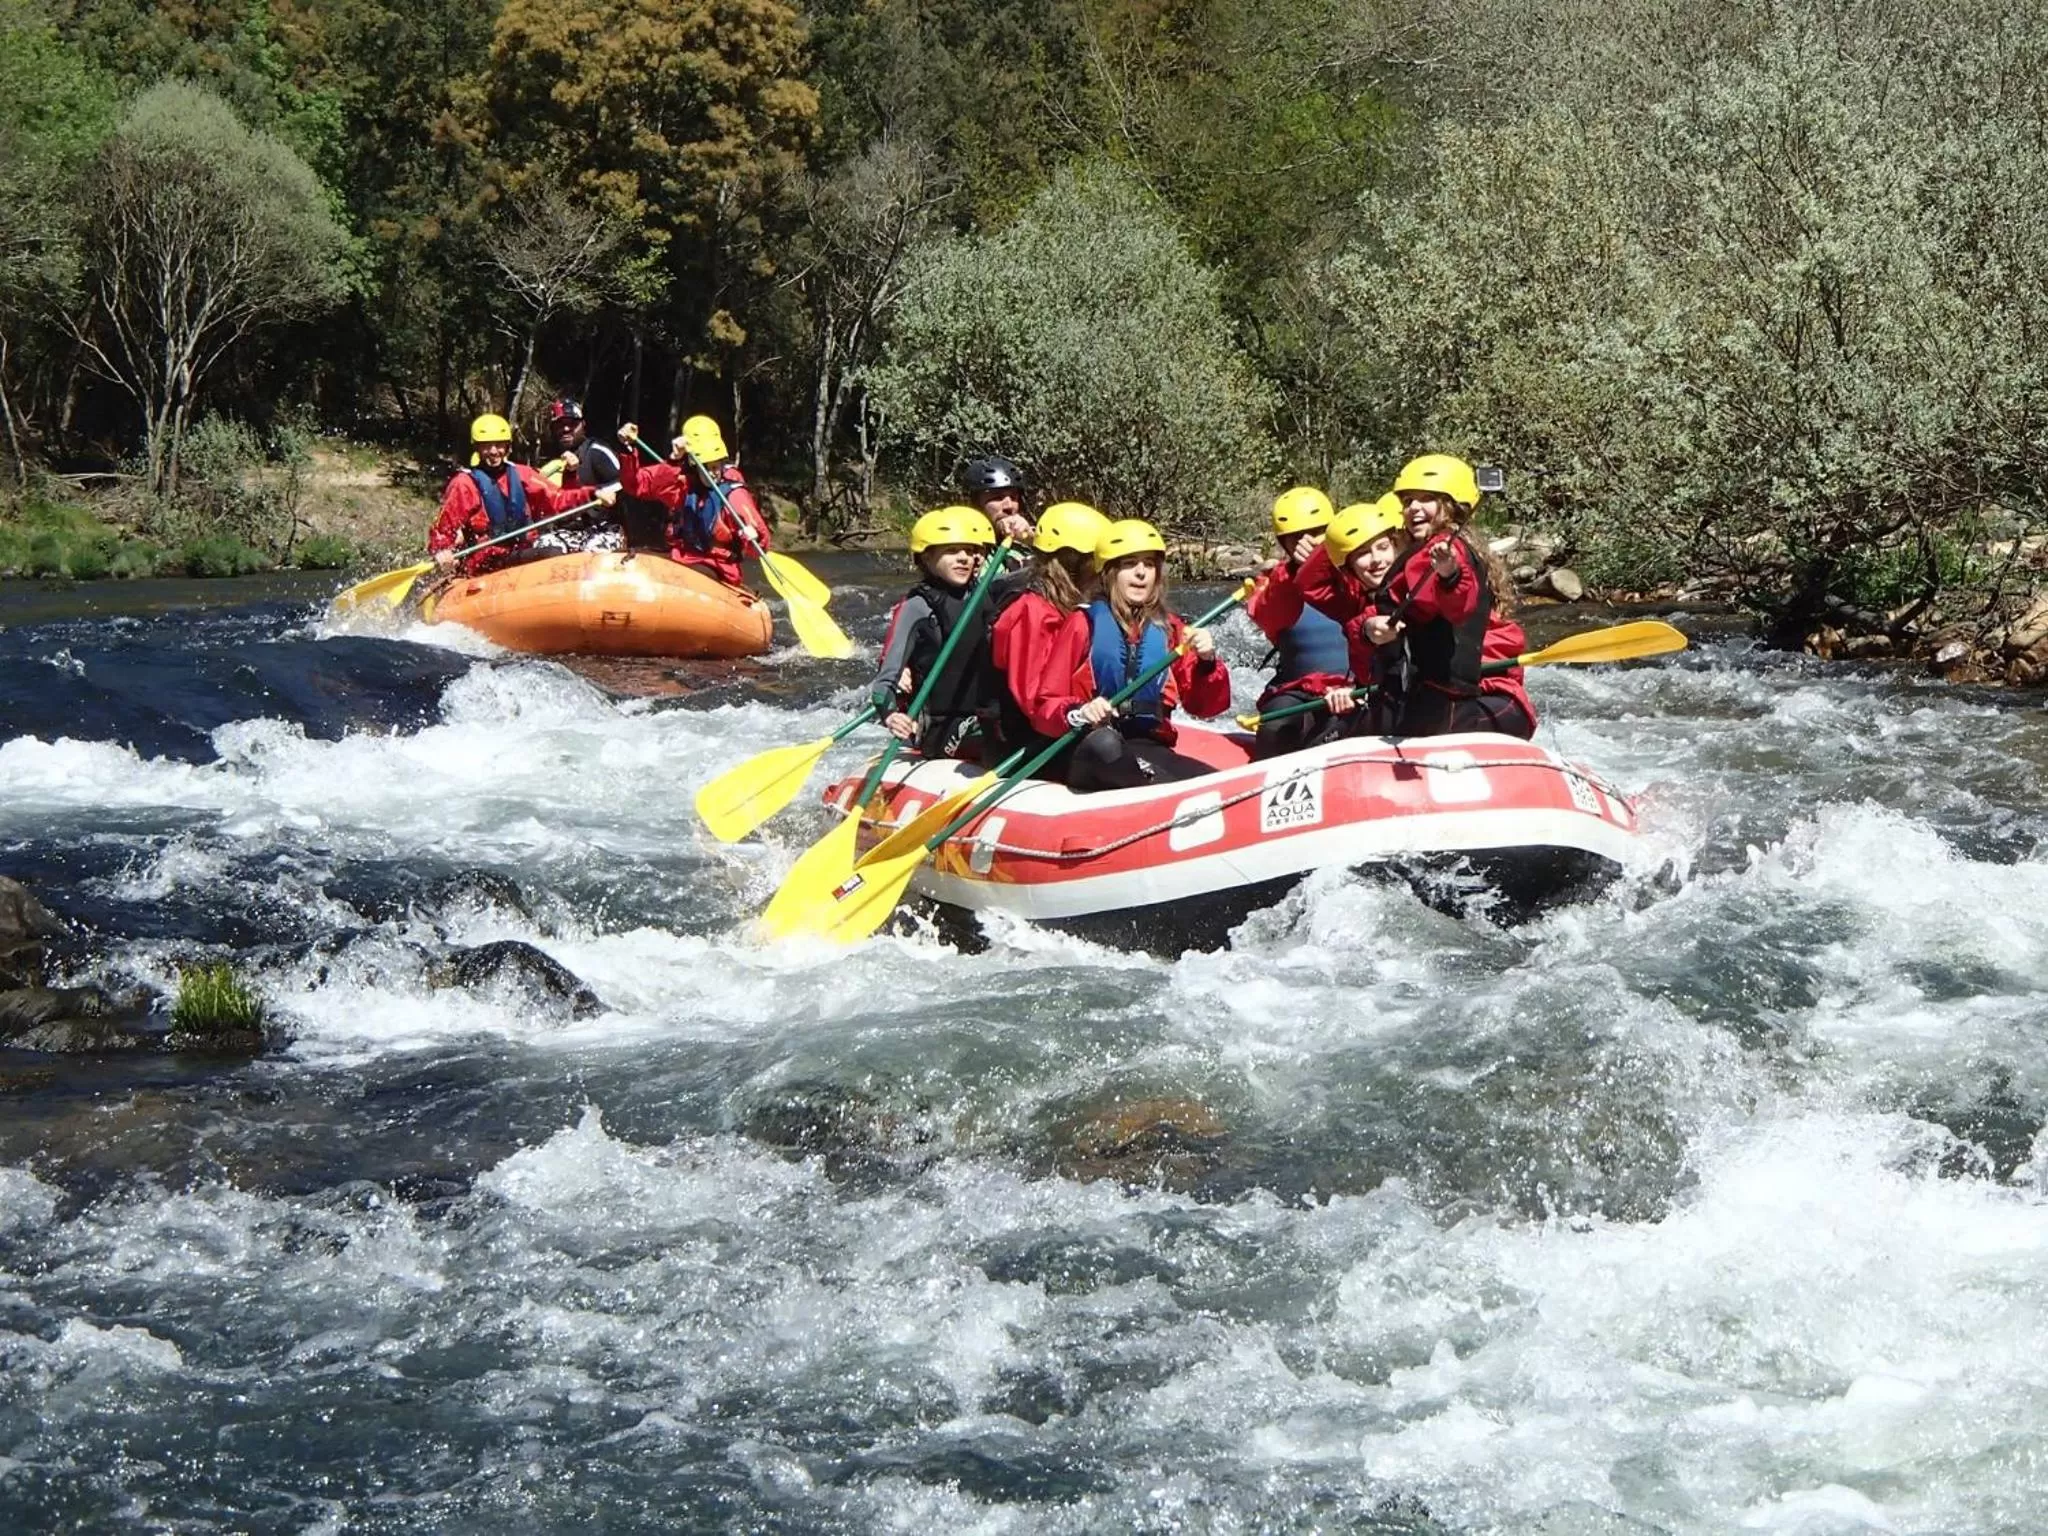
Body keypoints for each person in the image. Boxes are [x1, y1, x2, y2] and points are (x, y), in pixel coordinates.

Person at [1365, 454, 1536, 738]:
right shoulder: (1422, 550)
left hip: (1452, 702)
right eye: (1408, 501)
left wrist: (1450, 575)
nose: (1413, 508)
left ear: (1450, 506)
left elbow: (1458, 605)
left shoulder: (1448, 552)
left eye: (1426, 499)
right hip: (1430, 694)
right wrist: (1368, 627)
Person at [1067, 518, 1232, 790]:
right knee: (1107, 745)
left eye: (1149, 564)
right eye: (1129, 564)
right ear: (1109, 572)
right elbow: (1048, 698)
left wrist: (1207, 663)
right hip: (1090, 744)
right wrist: (1079, 710)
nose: (1141, 573)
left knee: (1221, 788)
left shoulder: (1169, 629)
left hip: (1146, 743)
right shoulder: (1082, 624)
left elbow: (1206, 708)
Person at [988, 501, 1111, 780]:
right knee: (1107, 751)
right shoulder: (1030, 611)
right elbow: (1035, 704)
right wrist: (1079, 713)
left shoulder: (1078, 606)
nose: (1105, 571)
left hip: (1070, 724)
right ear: (1073, 562)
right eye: (1098, 561)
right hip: (1027, 742)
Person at [869, 506, 1001, 758]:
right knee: (995, 739)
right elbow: (883, 684)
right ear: (926, 558)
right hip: (941, 727)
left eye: (970, 551)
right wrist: (891, 716)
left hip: (987, 714)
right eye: (951, 551)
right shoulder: (916, 608)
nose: (964, 558)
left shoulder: (989, 593)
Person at [428, 413, 616, 575]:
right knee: (552, 554)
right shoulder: (464, 484)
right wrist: (442, 551)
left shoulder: (523, 474)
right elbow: (444, 528)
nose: (493, 451)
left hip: (522, 551)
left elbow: (558, 500)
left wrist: (593, 494)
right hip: (486, 561)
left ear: (508, 447)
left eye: (499, 445)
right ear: (477, 448)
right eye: (486, 445)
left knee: (567, 548)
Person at [1245, 486, 1355, 758]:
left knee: (1339, 731)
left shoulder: (1358, 573)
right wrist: (1295, 572)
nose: (1308, 542)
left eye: (1318, 532)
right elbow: (1268, 615)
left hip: (1354, 687)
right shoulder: (1274, 583)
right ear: (1284, 544)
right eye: (1295, 538)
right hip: (1298, 691)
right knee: (1276, 727)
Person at [1293, 495, 1412, 739]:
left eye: (1382, 547)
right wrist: (1332, 541)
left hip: (1416, 699)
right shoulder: (1352, 600)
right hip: (1369, 695)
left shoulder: (1419, 584)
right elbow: (1309, 584)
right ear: (1349, 566)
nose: (1377, 560)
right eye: (1363, 553)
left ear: (1397, 547)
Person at [614, 415, 773, 588]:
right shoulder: (683, 483)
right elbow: (636, 485)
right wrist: (629, 449)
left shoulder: (733, 493)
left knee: (680, 578)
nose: (713, 473)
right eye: (707, 466)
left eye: (716, 466)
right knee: (630, 558)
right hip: (682, 557)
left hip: (717, 566)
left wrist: (752, 538)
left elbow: (759, 543)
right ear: (694, 464)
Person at [535, 397, 627, 552]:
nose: (565, 429)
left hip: (602, 528)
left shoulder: (597, 451)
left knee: (594, 550)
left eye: (571, 424)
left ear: (583, 425)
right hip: (567, 531)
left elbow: (627, 485)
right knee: (544, 546)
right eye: (559, 425)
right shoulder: (551, 459)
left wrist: (602, 494)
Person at [961, 456, 1034, 548]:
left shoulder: (1021, 545)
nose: (1009, 506)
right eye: (997, 497)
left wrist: (1031, 540)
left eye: (1014, 497)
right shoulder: (957, 548)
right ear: (974, 503)